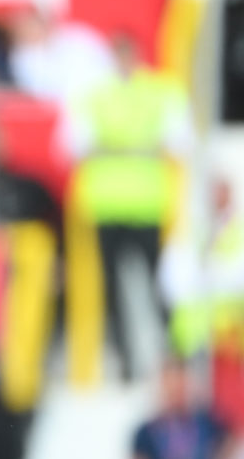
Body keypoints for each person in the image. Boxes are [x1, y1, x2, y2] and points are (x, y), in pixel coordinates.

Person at [66, 32, 194, 382]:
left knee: (160, 285)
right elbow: (70, 144)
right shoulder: (94, 95)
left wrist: (109, 146)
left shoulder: (160, 91)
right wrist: (141, 145)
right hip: (106, 205)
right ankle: (125, 360)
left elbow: (181, 139)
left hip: (148, 203)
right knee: (112, 290)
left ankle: (174, 356)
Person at [131, 357, 232, 459]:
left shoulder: (210, 425)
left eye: (180, 385)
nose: (175, 392)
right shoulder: (145, 433)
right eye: (170, 386)